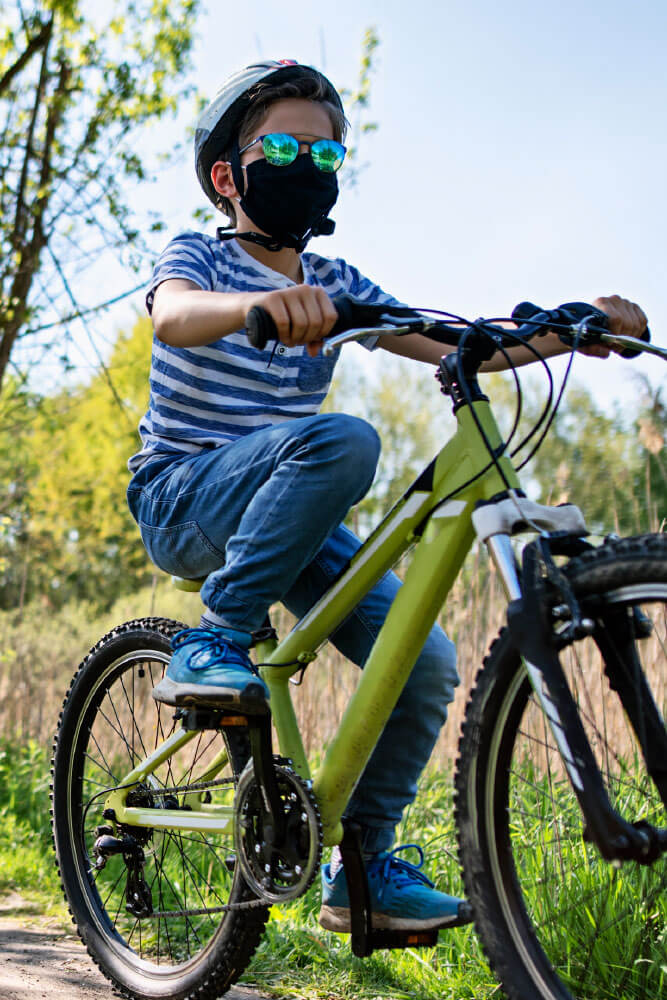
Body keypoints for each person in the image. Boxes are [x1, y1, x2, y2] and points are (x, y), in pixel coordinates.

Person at [126, 60, 647, 934]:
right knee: (347, 439)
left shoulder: (341, 283)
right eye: (284, 147)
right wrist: (260, 303)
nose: (308, 166)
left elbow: (458, 345)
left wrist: (568, 327)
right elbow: (172, 314)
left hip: (288, 511)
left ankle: (359, 866)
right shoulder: (199, 256)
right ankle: (215, 638)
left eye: (327, 154)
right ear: (229, 176)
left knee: (428, 663)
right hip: (183, 499)